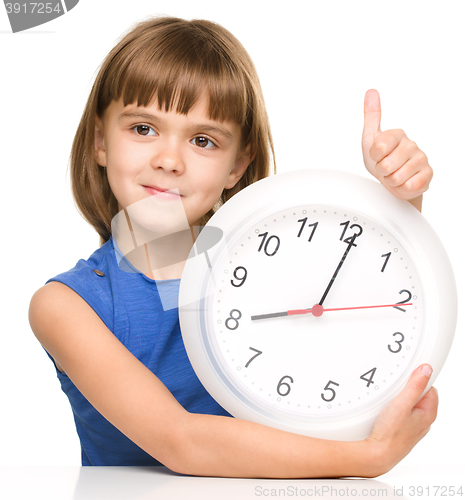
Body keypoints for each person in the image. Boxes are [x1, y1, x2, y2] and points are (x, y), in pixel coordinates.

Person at [29, 16, 437, 477]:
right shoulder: (66, 306)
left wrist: (402, 195)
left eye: (202, 140)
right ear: (101, 141)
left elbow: (366, 294)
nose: (168, 160)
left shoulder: (267, 263)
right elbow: (180, 440)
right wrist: (368, 457)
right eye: (143, 129)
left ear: (237, 166)